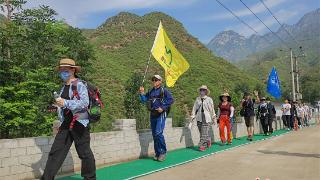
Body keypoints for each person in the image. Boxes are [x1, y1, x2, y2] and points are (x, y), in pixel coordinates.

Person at [42, 58, 96, 180]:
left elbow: (84, 103)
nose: (62, 72)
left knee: (84, 153)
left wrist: (65, 102)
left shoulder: (79, 84)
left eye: (65, 69)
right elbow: (64, 106)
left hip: (79, 122)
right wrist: (55, 108)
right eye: (61, 70)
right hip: (66, 123)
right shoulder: (62, 88)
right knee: (56, 152)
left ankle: (90, 178)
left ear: (73, 70)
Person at [139, 75, 174, 161]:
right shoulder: (151, 91)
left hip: (161, 114)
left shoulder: (164, 90)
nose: (154, 81)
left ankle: (162, 152)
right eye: (153, 80)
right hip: (153, 114)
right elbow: (144, 100)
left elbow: (171, 100)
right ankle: (157, 153)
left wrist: (162, 107)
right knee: (155, 135)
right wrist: (142, 93)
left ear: (160, 81)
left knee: (158, 133)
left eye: (156, 80)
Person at [190, 85, 216, 151]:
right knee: (201, 132)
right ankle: (208, 140)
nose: (202, 91)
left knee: (204, 133)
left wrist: (213, 117)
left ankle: (202, 145)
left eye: (204, 90)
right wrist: (192, 116)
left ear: (206, 91)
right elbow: (194, 108)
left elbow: (212, 109)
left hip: (207, 117)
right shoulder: (197, 99)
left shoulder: (209, 99)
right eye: (201, 90)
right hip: (199, 117)